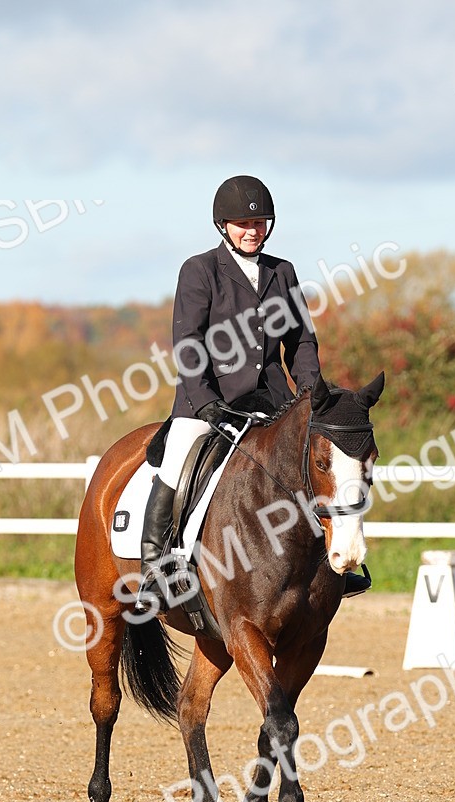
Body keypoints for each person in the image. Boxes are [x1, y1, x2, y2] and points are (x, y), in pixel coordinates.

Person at [135, 174, 321, 609]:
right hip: (209, 401)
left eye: (260, 223)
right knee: (179, 455)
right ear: (223, 226)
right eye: (242, 223)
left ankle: (327, 567)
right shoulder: (200, 270)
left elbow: (300, 342)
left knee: (314, 465)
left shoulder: (282, 272)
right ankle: (154, 566)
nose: (252, 230)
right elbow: (189, 342)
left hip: (273, 402)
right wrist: (205, 403)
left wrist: (311, 395)